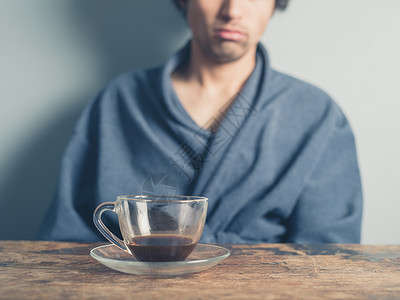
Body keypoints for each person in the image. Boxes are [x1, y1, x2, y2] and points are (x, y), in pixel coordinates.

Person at [38, 0, 363, 244]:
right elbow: (63, 240)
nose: (232, 9)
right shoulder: (118, 102)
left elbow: (329, 258)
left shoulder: (316, 116)